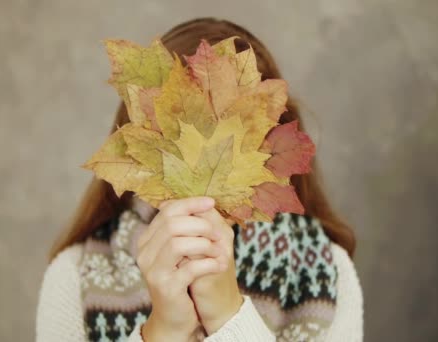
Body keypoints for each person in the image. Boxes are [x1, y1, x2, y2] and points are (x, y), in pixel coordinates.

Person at [36, 17, 363, 342]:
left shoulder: (326, 272)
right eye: (175, 140)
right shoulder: (74, 277)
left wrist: (228, 315)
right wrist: (164, 331)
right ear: (133, 147)